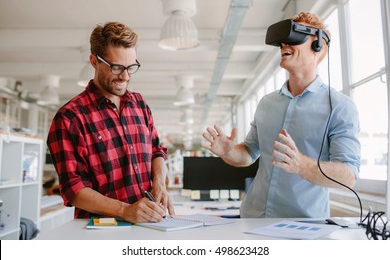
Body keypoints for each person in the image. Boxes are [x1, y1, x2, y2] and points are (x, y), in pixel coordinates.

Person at [201, 12, 360, 218]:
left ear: (317, 46)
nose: (285, 44)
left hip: (302, 225)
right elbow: (249, 153)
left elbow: (348, 175)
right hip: (252, 217)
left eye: (294, 37)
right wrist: (228, 151)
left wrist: (301, 165)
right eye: (283, 41)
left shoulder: (339, 107)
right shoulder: (267, 103)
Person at [47, 21, 174, 223]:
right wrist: (125, 210)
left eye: (131, 67)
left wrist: (159, 182)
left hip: (148, 225)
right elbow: (74, 189)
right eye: (116, 67)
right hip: (101, 229)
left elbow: (157, 151)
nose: (125, 76)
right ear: (94, 61)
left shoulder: (139, 104)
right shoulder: (70, 118)